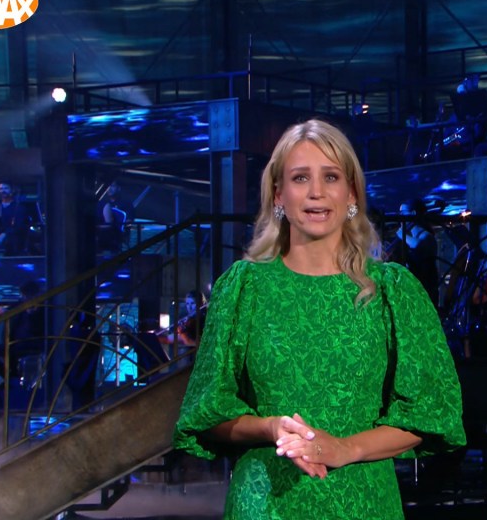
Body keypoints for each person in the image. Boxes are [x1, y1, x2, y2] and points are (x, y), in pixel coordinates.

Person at [173, 118, 465, 520]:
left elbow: (430, 413)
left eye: (330, 176)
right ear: (279, 194)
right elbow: (206, 412)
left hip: (362, 503)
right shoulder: (243, 288)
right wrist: (270, 427)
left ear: (351, 193)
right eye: (300, 178)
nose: (316, 192)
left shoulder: (393, 291)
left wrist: (345, 448)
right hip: (265, 502)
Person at [385, 197, 440, 307]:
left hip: (425, 290)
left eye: (402, 213)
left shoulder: (426, 236)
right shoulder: (407, 238)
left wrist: (403, 236)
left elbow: (418, 246)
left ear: (413, 213)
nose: (400, 216)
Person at [97, 180, 129, 254]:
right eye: (108, 186)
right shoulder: (101, 203)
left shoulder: (126, 204)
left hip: (113, 235)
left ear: (118, 188)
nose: (109, 188)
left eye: (112, 186)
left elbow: (129, 220)